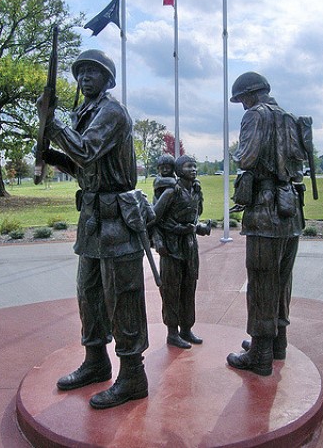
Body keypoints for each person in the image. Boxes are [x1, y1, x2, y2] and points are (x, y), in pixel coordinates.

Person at [37, 49, 151, 409]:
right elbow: (84, 166)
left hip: (116, 219)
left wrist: (52, 124)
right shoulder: (85, 112)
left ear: (107, 79)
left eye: (93, 72)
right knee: (89, 295)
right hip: (91, 219)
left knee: (123, 298)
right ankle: (96, 361)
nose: (85, 77)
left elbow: (87, 150)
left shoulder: (112, 112)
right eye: (81, 72)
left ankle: (133, 376)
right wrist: (51, 154)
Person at [226, 72, 307, 376]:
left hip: (265, 211)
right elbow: (299, 161)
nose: (242, 105)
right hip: (291, 212)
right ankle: (277, 344)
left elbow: (246, 158)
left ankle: (260, 355)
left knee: (262, 283)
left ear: (251, 94)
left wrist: (238, 154)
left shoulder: (254, 116)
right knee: (282, 281)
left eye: (242, 99)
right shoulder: (290, 117)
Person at [151, 155, 211, 349]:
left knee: (188, 287)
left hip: (189, 246)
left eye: (195, 165)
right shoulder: (170, 191)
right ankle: (172, 333)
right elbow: (152, 219)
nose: (193, 169)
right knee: (171, 289)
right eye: (188, 166)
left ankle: (186, 328)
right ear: (178, 169)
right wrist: (159, 241)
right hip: (171, 247)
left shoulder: (196, 190)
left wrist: (198, 227)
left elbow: (194, 216)